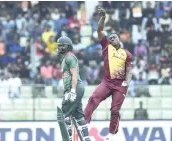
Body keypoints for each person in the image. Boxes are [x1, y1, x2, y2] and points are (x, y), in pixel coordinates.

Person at [84, 7, 133, 141]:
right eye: (110, 37)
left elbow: (129, 70)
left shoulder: (126, 54)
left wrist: (127, 82)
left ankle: (112, 136)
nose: (111, 38)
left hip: (120, 85)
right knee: (94, 98)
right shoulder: (106, 46)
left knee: (115, 111)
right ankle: (84, 124)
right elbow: (99, 30)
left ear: (119, 40)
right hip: (107, 81)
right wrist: (103, 18)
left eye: (114, 37)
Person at [56, 36, 90, 141]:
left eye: (62, 45)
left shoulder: (69, 58)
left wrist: (73, 91)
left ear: (68, 46)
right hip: (74, 88)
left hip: (74, 88)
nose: (60, 47)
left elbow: (74, 75)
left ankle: (68, 139)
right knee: (78, 115)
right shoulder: (65, 58)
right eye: (59, 45)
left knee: (64, 114)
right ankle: (86, 139)